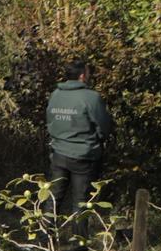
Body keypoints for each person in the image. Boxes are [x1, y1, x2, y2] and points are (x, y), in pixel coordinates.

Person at [46, 59, 112, 228]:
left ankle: (44, 240)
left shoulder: (55, 94)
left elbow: (50, 121)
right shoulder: (91, 98)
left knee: (53, 199)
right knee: (81, 203)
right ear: (83, 76)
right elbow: (103, 127)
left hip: (59, 154)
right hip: (84, 156)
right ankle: (78, 250)